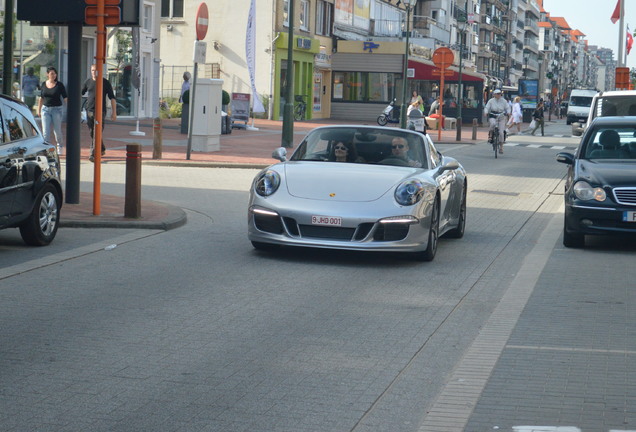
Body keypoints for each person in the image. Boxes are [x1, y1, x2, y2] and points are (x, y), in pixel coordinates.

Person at [82, 64, 117, 162]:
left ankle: (93, 154)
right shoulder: (88, 82)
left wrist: (114, 112)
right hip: (89, 110)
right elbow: (80, 92)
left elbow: (112, 98)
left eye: (95, 70)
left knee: (96, 132)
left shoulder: (105, 83)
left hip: (100, 112)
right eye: (92, 70)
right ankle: (102, 148)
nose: (94, 72)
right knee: (92, 133)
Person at [37, 66, 67, 154]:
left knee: (57, 130)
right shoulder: (43, 84)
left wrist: (71, 109)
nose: (53, 75)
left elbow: (65, 98)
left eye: (55, 73)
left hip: (57, 110)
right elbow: (41, 98)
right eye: (51, 74)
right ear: (47, 74)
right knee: (45, 131)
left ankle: (60, 146)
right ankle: (47, 149)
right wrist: (39, 110)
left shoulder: (59, 85)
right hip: (45, 109)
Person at [483, 89, 510, 154]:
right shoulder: (491, 101)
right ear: (494, 94)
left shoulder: (504, 101)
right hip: (493, 115)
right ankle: (490, 135)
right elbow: (487, 107)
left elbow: (508, 107)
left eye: (499, 94)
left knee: (501, 132)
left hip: (501, 116)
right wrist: (486, 112)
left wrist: (509, 112)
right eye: (497, 94)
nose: (498, 95)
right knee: (493, 123)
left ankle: (501, 147)